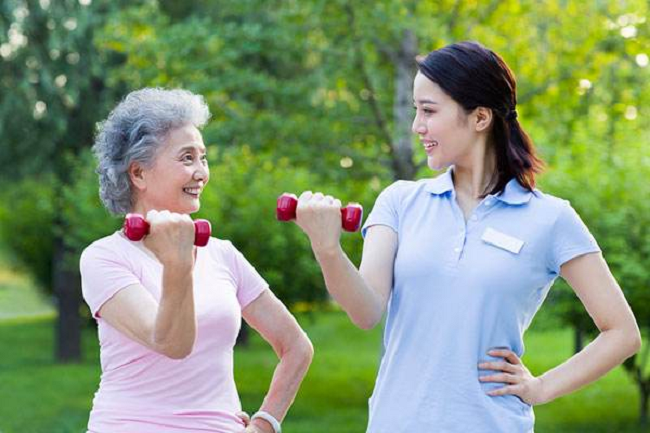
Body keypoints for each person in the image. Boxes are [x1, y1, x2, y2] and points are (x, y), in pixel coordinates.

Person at [293, 41, 641, 432]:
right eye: (415, 110)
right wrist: (327, 249)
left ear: (479, 117)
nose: (417, 126)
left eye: (429, 111)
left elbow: (622, 333)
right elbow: (366, 311)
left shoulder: (550, 219)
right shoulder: (400, 201)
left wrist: (541, 387)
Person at [80, 88, 313, 433]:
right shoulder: (104, 258)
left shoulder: (223, 255)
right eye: (187, 158)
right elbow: (172, 344)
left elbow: (296, 347)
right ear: (138, 173)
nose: (201, 172)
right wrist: (178, 262)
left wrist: (265, 423)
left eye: (203, 158)